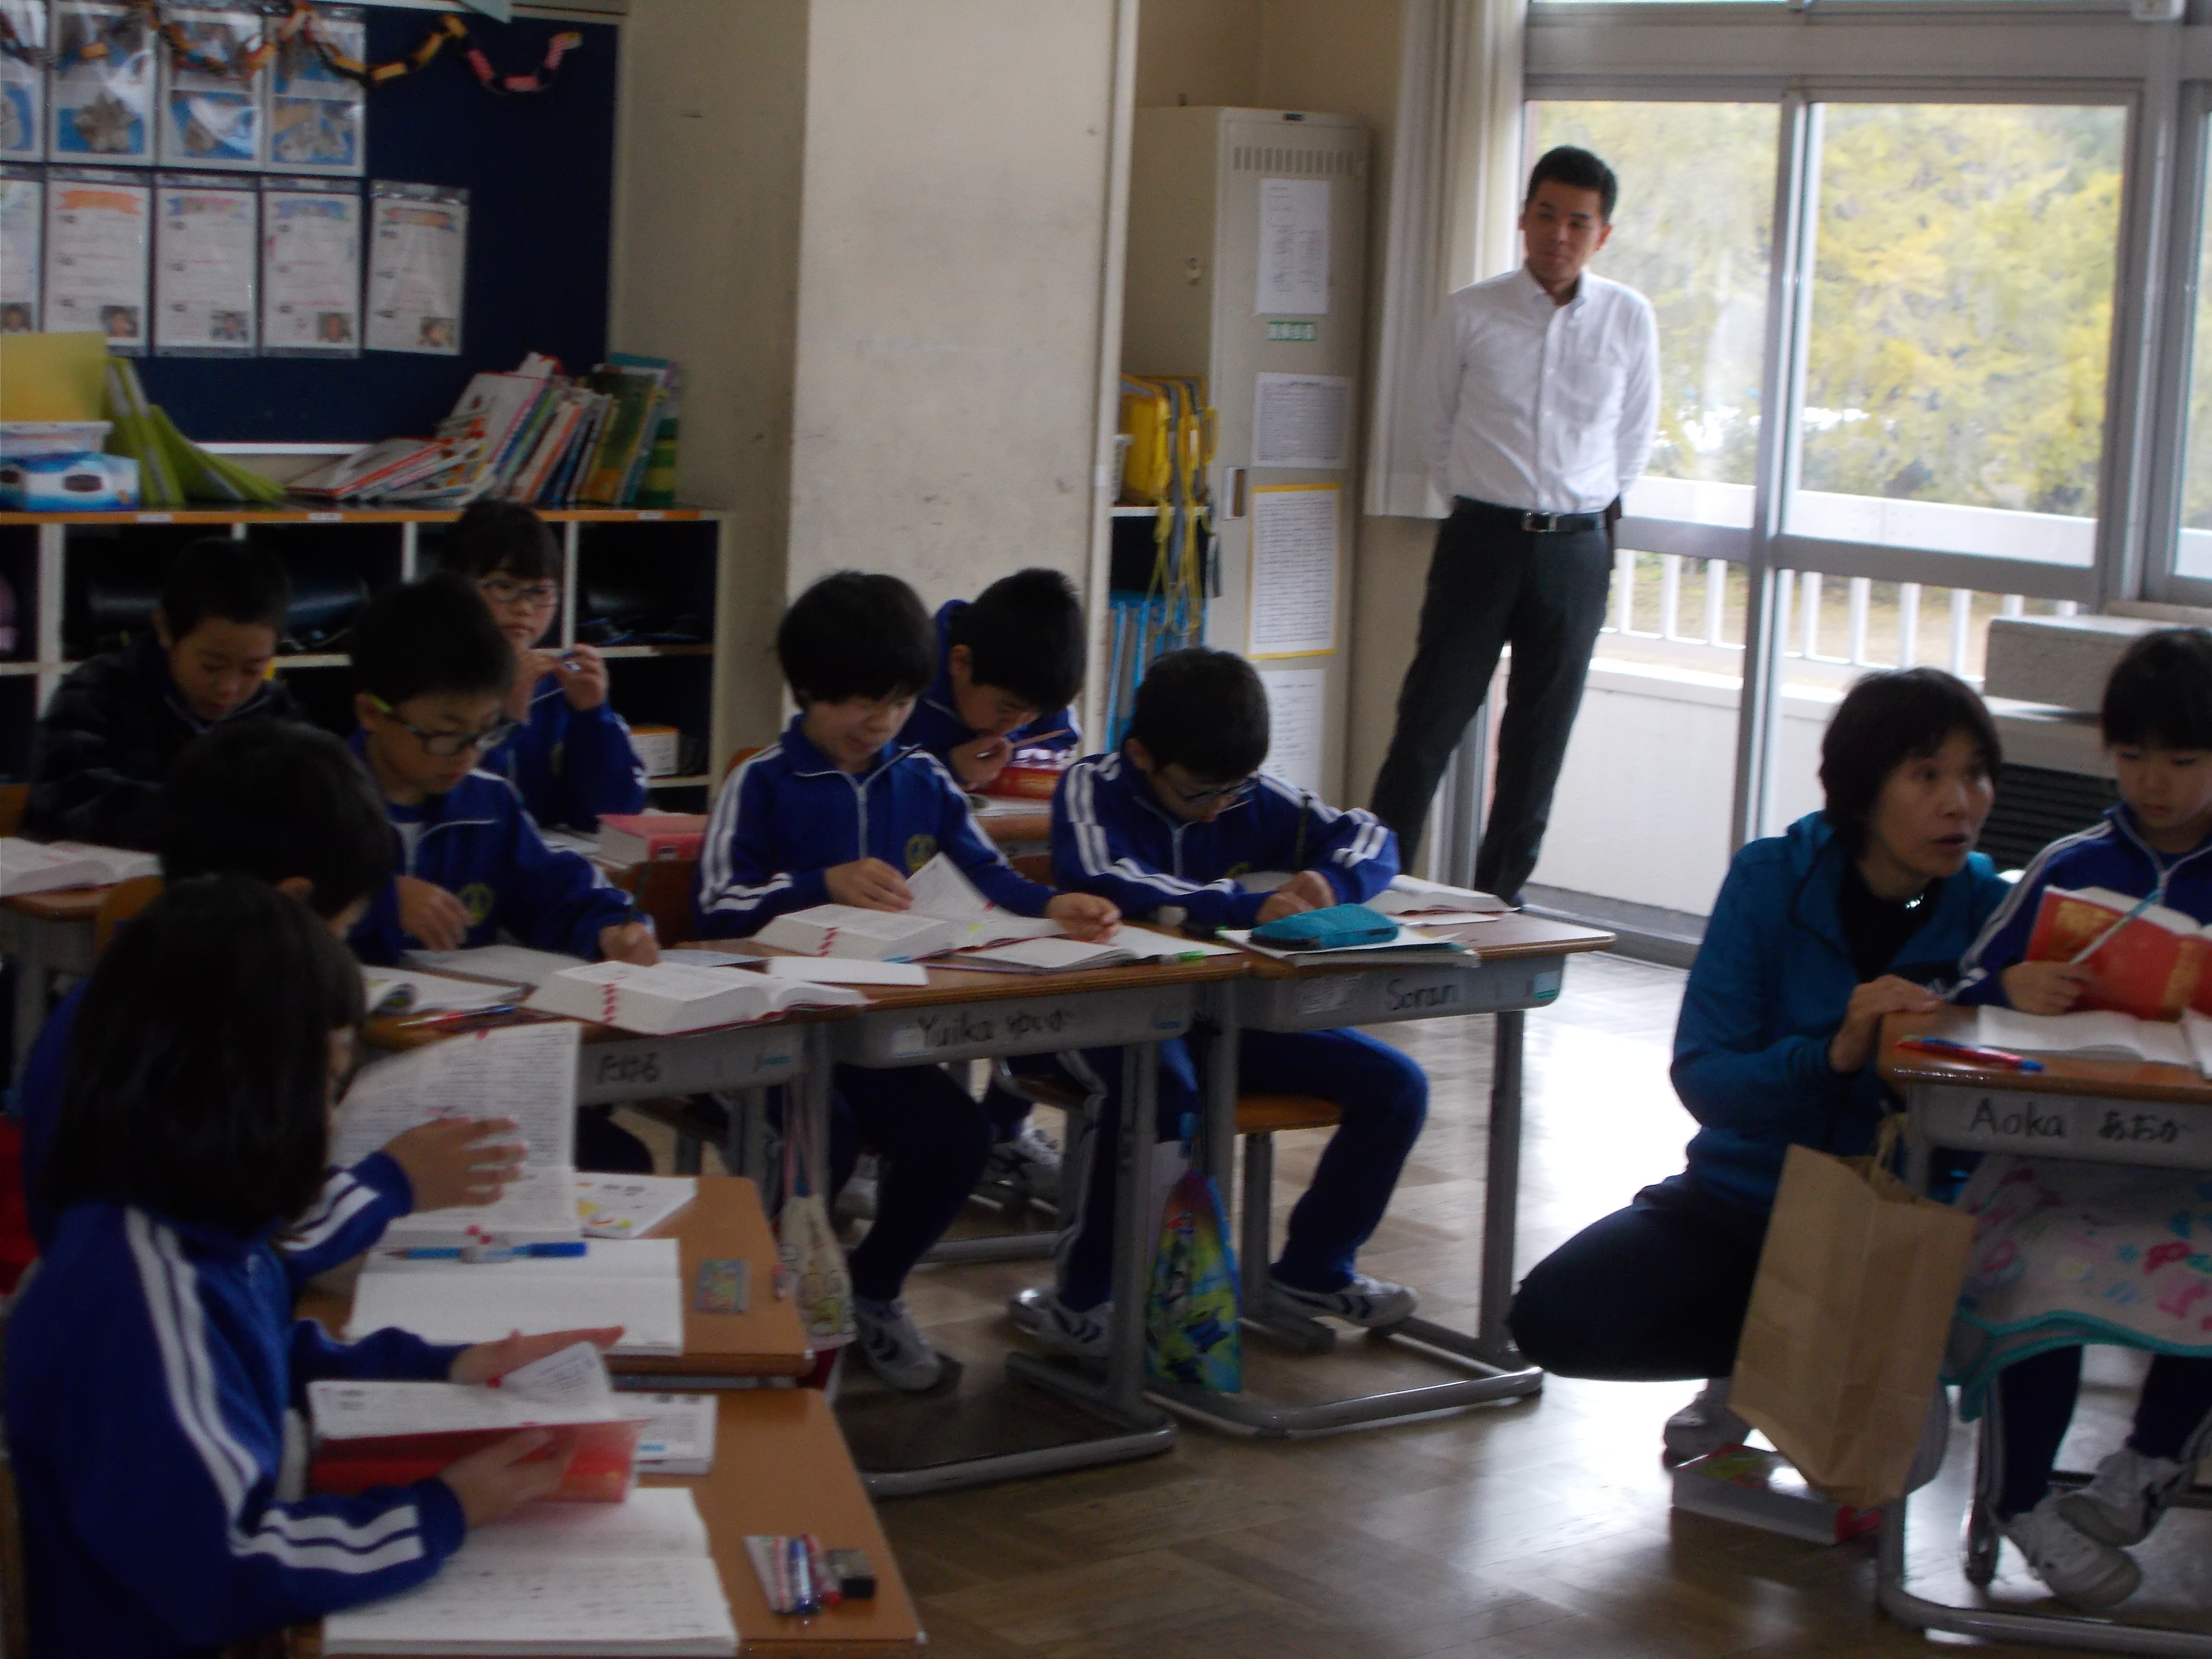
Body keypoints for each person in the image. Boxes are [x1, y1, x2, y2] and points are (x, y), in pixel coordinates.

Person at [6, 875, 618, 1658]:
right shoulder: (137, 1291)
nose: (332, 1122)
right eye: (328, 1085)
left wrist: (451, 1365)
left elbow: (258, 1356)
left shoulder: (198, 1232)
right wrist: (442, 1511)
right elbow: (222, 1568)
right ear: (236, 1085)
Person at [1506, 669, 2008, 1456]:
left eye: (1974, 775)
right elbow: (1706, 1079)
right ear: (1861, 792)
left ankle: (1819, 1361)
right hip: (1742, 1202)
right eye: (1926, 776)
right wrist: (1831, 1058)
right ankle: (1758, 1366)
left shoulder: (1989, 907)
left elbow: (2002, 1113)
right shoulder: (1771, 880)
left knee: (1911, 1437)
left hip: (1899, 1224)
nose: (1959, 803)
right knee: (1555, 1317)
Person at [694, 570, 1118, 1390]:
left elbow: (990, 875)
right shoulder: (764, 782)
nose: (880, 722)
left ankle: (873, 1291)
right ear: (808, 689)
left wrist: (1054, 904)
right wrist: (818, 884)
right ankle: (765, 1318)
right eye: (861, 703)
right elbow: (715, 909)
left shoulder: (921, 778)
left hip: (873, 1039)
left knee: (956, 1139)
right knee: (822, 1142)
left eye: (897, 703)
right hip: (771, 1042)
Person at [1021, 646, 1424, 1357]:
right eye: (1198, 793)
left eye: (1232, 793)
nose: (1216, 812)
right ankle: (1083, 1298)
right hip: (1100, 1019)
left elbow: (1371, 836)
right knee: (1158, 1092)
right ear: (1142, 755)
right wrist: (1237, 905)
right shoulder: (1092, 787)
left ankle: (1314, 1270)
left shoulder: (1246, 793)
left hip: (1225, 1021)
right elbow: (1105, 877)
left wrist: (1332, 883)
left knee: (1396, 1088)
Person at [13, 718, 523, 1268]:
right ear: (293, 902)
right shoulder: (185, 1035)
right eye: (343, 931)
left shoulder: (146, 988)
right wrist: (393, 1182)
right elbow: (249, 1253)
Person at [1939, 628, 2212, 1610]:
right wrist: (2012, 982)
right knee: (2036, 1276)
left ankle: (2150, 1460)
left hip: (2195, 1168)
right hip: (2057, 1163)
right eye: (2133, 755)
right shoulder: (2069, 865)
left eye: (2183, 759)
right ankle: (2020, 1501)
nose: (2155, 783)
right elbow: (1962, 992)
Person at [1368, 145, 1659, 905]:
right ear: (1523, 218)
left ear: (1603, 235)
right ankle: (1370, 886)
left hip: (1577, 550)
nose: (1559, 235)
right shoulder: (1470, 312)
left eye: (1579, 222)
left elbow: (1633, 438)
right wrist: (1485, 501)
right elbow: (1435, 427)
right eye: (1546, 215)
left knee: (1539, 740)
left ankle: (1502, 902)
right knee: (1428, 723)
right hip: (1482, 542)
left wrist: (1581, 508)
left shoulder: (1629, 318)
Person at [344, 577, 658, 1174]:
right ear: (371, 712)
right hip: (349, 1083)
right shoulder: (316, 799)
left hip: (471, 1069)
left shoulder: (487, 801)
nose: (466, 754)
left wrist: (614, 929)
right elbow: (276, 921)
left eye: (483, 732)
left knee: (619, 1163)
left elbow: (559, 888)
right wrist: (379, 900)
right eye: (444, 735)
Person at [898, 566, 1087, 1197]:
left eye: (1030, 713)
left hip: (995, 864)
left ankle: (1005, 1129)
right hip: (908, 882)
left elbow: (1056, 749)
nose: (1014, 724)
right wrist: (945, 769)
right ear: (959, 663)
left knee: (1046, 968)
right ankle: (890, 1141)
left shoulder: (1030, 676)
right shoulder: (906, 675)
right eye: (1006, 710)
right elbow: (873, 769)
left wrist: (1024, 756)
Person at [24, 536, 301, 848]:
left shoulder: (278, 717)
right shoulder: (96, 691)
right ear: (165, 630)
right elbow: (69, 796)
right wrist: (208, 818)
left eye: (252, 670)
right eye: (211, 666)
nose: (229, 688)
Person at [433, 499, 648, 831]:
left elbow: (613, 816)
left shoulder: (556, 684)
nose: (524, 607)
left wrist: (593, 716)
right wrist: (506, 720)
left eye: (540, 591)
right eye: (504, 587)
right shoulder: (429, 685)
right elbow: (454, 813)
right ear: (455, 586)